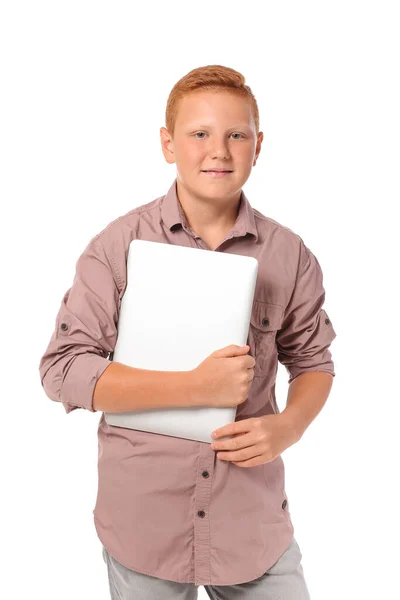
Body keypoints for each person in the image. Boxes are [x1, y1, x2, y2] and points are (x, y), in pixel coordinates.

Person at [39, 64, 336, 599]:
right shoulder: (116, 246)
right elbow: (62, 370)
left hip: (251, 517)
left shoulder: (290, 255)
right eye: (199, 133)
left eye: (236, 135)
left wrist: (288, 427)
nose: (218, 151)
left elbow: (314, 362)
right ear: (168, 143)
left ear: (258, 145)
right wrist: (195, 388)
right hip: (144, 519)